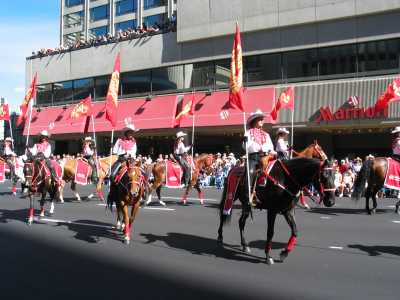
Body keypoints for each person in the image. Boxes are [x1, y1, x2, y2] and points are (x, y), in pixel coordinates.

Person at [244, 109, 276, 204]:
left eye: (262, 119)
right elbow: (245, 146)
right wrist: (248, 143)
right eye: (260, 119)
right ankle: (248, 194)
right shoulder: (248, 132)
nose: (262, 121)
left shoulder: (267, 134)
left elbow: (271, 147)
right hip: (254, 158)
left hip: (266, 158)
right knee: (250, 172)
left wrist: (273, 152)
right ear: (254, 121)